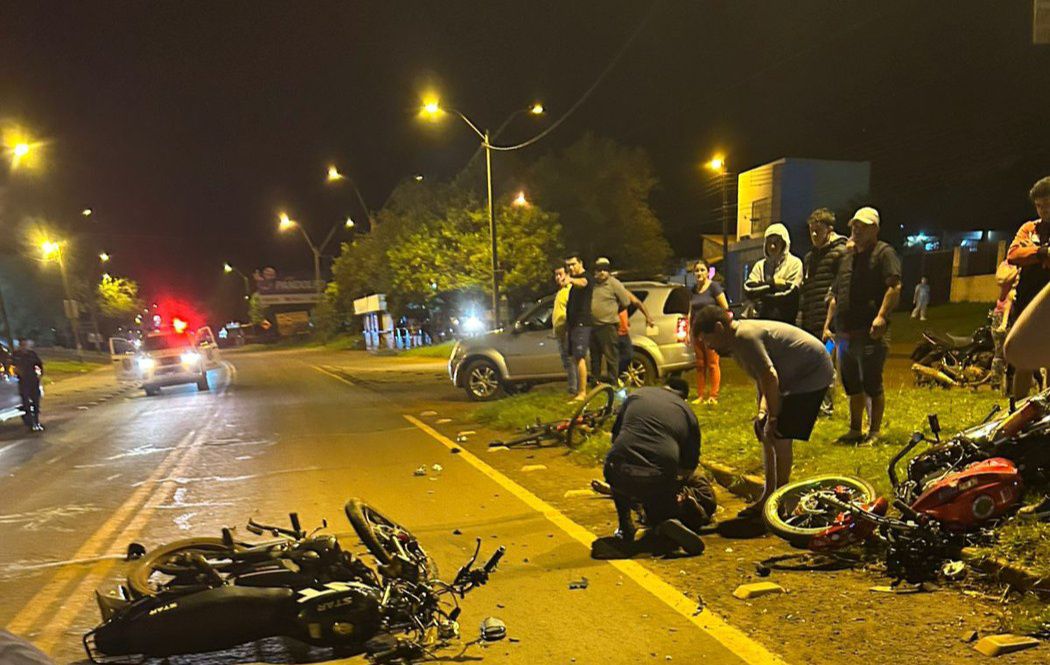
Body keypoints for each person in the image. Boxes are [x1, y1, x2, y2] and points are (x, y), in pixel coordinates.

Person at [693, 306, 834, 518]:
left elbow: (769, 376)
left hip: (812, 373)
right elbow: (762, 379)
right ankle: (768, 497)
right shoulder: (736, 343)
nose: (708, 346)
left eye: (707, 340)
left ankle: (781, 501)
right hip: (791, 377)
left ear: (719, 328)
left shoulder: (744, 338)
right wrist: (762, 414)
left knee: (780, 435)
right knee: (766, 433)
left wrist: (774, 417)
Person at [599, 377, 705, 555]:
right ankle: (662, 522)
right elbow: (689, 466)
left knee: (618, 466)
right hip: (658, 473)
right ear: (683, 397)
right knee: (660, 490)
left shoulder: (637, 395)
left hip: (617, 471)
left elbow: (615, 436)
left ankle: (625, 525)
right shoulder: (687, 413)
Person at [824, 207, 901, 443]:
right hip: (845, 333)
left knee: (871, 383)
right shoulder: (848, 258)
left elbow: (894, 286)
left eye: (863, 226)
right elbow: (836, 294)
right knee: (852, 385)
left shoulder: (884, 253)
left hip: (870, 333)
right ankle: (855, 429)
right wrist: (829, 325)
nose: (856, 230)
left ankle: (874, 431)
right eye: (854, 226)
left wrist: (882, 316)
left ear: (875, 229)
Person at [798, 208, 847, 416]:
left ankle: (825, 407)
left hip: (830, 321)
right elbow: (807, 288)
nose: (814, 234)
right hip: (811, 319)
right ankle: (812, 405)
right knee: (810, 364)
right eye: (811, 230)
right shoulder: (810, 257)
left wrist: (832, 320)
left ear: (829, 229)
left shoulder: (840, 253)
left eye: (818, 230)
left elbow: (840, 288)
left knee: (827, 363)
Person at [1005, 176, 1050, 400]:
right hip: (1026, 301)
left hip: (1047, 301)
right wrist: (1042, 253)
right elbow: (1013, 255)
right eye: (1039, 206)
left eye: (1048, 204)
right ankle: (1019, 408)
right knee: (1023, 360)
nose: (1044, 210)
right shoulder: (1029, 228)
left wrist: (1031, 255)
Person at [589, 257, 652, 384]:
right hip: (593, 326)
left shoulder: (614, 284)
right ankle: (595, 383)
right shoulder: (592, 285)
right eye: (599, 270)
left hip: (608, 325)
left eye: (605, 270)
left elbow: (627, 302)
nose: (602, 272)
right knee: (595, 357)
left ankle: (613, 382)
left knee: (612, 356)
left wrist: (613, 312)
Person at [743, 223, 803, 323]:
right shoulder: (760, 265)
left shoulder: (794, 263)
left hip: (786, 323)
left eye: (776, 242)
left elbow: (790, 294)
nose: (772, 246)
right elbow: (748, 289)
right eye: (769, 242)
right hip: (762, 322)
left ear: (784, 243)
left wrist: (761, 295)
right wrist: (773, 284)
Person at [688, 259, 728, 405]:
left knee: (712, 363)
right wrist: (690, 330)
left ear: (708, 272)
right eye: (696, 270)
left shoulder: (714, 287)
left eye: (702, 270)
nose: (699, 273)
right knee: (700, 364)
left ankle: (713, 396)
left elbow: (724, 307)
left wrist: (720, 326)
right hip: (697, 331)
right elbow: (691, 311)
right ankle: (700, 395)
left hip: (711, 331)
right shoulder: (693, 290)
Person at [563, 253, 594, 401]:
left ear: (580, 263)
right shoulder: (574, 283)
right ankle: (577, 390)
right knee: (575, 358)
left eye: (573, 264)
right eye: (568, 265)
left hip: (582, 323)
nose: (571, 268)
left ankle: (582, 393)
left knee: (580, 357)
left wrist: (570, 280)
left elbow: (583, 282)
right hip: (573, 325)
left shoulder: (586, 277)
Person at [992, 261, 1018, 394]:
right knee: (1000, 352)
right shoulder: (1006, 266)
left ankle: (1009, 385)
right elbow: (1002, 280)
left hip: (1011, 316)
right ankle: (996, 383)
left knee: (1011, 354)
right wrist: (1017, 270)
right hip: (1001, 317)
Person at [551, 266, 578, 395]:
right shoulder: (561, 291)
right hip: (560, 331)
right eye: (556, 275)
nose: (557, 277)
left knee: (570, 360)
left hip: (567, 330)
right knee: (567, 361)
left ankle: (574, 388)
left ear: (567, 275)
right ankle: (573, 386)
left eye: (560, 274)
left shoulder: (570, 290)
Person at [12, 338, 44, 432]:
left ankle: (36, 422)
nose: (24, 347)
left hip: (33, 380)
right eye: (22, 345)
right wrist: (15, 373)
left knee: (35, 402)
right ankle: (30, 423)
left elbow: (39, 365)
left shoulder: (32, 354)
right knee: (26, 403)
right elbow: (11, 366)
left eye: (25, 345)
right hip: (23, 381)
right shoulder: (16, 355)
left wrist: (40, 374)